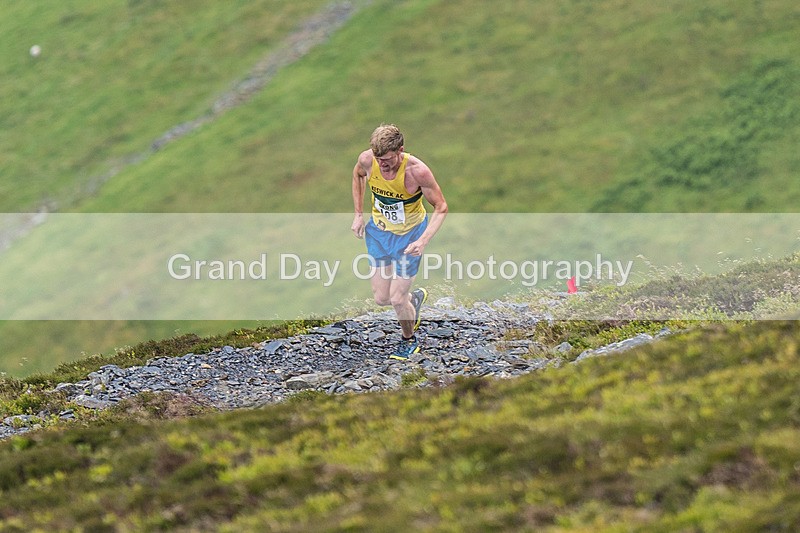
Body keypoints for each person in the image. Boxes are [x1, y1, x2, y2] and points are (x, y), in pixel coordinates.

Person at [351, 124, 448, 360]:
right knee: (382, 298)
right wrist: (358, 214)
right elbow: (358, 176)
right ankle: (413, 301)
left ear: (400, 151)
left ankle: (409, 341)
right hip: (379, 234)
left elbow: (441, 207)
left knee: (396, 299)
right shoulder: (367, 160)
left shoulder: (417, 172)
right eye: (378, 158)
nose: (381, 164)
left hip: (410, 238)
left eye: (386, 159)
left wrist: (423, 241)